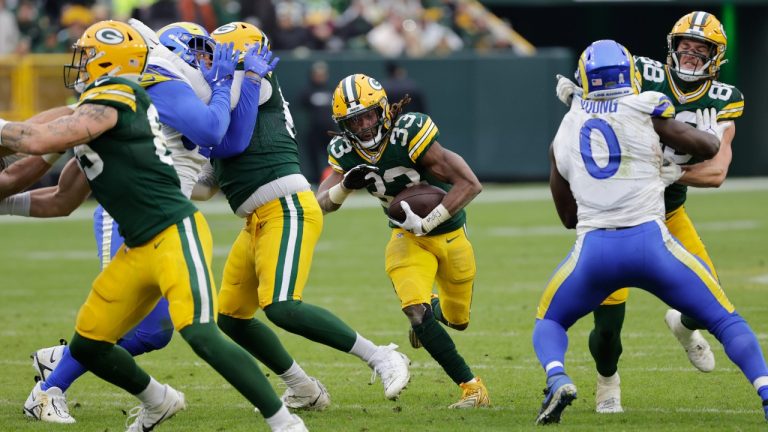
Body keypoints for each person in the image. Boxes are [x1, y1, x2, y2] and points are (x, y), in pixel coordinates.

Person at [0, 20, 307, 432]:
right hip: (135, 227)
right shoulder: (140, 88)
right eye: (199, 49)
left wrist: (242, 82)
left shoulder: (134, 90)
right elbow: (53, 176)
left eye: (89, 56)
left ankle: (94, 379)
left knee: (161, 333)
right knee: (120, 335)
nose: (207, 57)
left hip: (165, 224)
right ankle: (54, 389)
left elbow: (221, 139)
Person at [534, 39, 768, 425]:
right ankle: (764, 389)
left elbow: (567, 218)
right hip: (651, 238)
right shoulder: (646, 105)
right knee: (725, 318)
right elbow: (708, 147)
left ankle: (557, 375)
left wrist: (580, 102)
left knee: (551, 321)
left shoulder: (564, 131)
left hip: (596, 247)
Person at [195, 22, 411, 402]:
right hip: (257, 218)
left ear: (240, 55)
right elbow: (205, 185)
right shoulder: (230, 102)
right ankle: (303, 387)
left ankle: (381, 356)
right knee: (230, 317)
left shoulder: (253, 83)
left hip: (286, 207)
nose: (205, 61)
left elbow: (216, 114)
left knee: (281, 306)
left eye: (214, 53)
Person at [315, 73, 490, 408]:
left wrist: (429, 220)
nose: (364, 125)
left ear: (383, 110)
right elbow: (321, 203)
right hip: (404, 236)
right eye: (354, 120)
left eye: (368, 115)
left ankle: (433, 309)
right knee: (413, 310)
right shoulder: (343, 150)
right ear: (343, 124)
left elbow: (469, 183)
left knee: (458, 321)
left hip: (449, 232)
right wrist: (343, 186)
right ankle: (472, 388)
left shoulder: (408, 131)